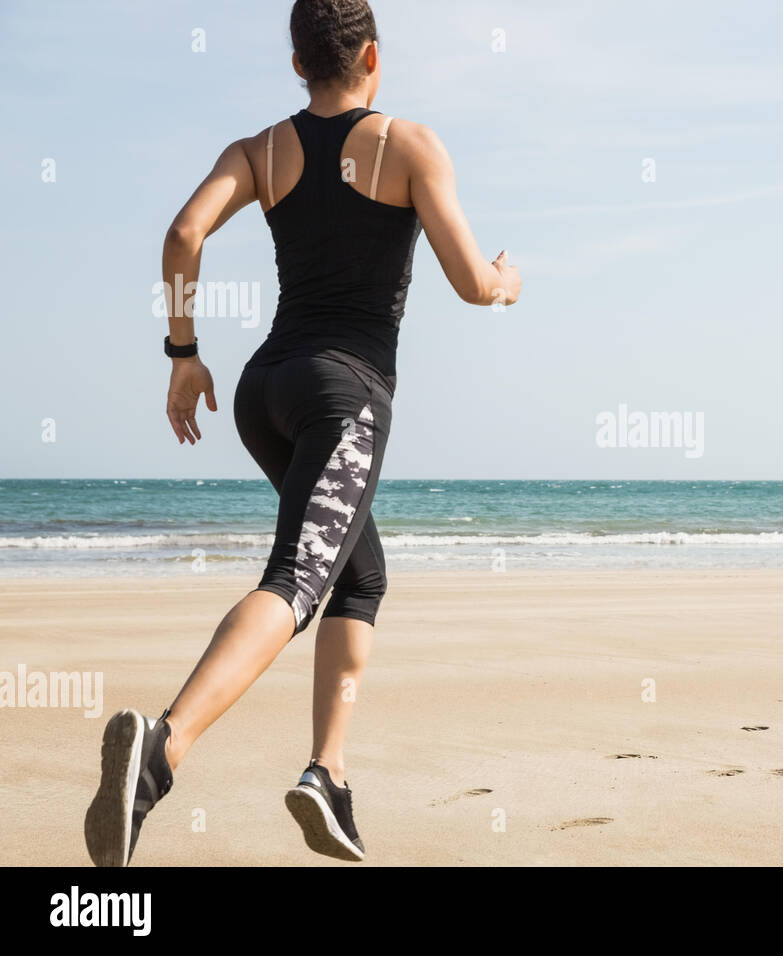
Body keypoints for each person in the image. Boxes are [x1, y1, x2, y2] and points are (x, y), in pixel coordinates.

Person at [84, 0, 520, 866]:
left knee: (358, 573)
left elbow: (183, 233)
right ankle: (160, 753)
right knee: (296, 579)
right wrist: (509, 281)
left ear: (297, 64)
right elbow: (473, 283)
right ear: (371, 59)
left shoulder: (261, 151)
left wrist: (183, 354)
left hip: (264, 389)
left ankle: (328, 773)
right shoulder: (411, 145)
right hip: (344, 398)